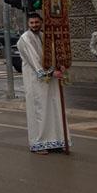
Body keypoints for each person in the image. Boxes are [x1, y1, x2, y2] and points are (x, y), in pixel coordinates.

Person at [17, 13, 69, 154]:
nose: (34, 25)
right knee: (39, 112)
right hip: (36, 81)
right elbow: (34, 60)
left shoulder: (45, 36)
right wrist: (50, 73)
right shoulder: (25, 39)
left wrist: (59, 65)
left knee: (54, 109)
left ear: (41, 22)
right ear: (28, 24)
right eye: (32, 23)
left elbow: (52, 54)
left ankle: (56, 141)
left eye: (36, 22)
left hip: (50, 80)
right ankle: (39, 143)